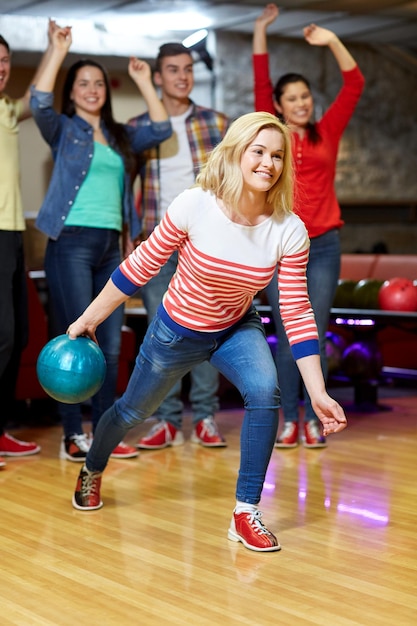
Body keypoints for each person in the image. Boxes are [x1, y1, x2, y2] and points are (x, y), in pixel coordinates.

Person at [68, 111, 348, 552]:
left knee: (265, 390)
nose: (267, 163)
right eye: (258, 151)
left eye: (277, 155)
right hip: (176, 330)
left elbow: (296, 310)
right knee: (131, 413)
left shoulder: (289, 229)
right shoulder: (195, 205)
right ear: (237, 153)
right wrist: (90, 318)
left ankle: (246, 511)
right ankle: (93, 468)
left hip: (236, 328)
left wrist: (316, 392)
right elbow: (141, 266)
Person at [30, 23, 172, 462]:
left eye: (97, 84)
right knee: (75, 335)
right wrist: (58, 50)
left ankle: (105, 434)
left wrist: (147, 81)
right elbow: (38, 101)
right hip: (69, 243)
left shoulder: (120, 136)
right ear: (71, 93)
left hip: (113, 246)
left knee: (110, 347)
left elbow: (163, 128)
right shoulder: (63, 129)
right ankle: (73, 434)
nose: (92, 90)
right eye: (82, 84)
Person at [253, 3, 365, 449]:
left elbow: (354, 84)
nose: (301, 103)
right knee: (285, 334)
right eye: (291, 98)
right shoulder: (272, 136)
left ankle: (315, 418)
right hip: (281, 246)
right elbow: (260, 78)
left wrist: (332, 40)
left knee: (312, 332)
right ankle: (287, 420)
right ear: (278, 106)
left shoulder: (328, 131)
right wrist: (261, 29)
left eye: (305, 96)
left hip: (324, 245)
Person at [128, 42, 230, 451]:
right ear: (157, 77)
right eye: (173, 70)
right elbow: (124, 187)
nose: (182, 76)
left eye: (187, 69)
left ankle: (205, 416)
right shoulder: (139, 128)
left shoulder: (218, 123)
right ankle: (167, 420)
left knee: (208, 331)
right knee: (161, 334)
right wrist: (130, 235)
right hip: (156, 241)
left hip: (205, 244)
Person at [0, 25, 58, 466]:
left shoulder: (5, 109)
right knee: (2, 335)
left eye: (4, 62)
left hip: (13, 234)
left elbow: (35, 96)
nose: (1, 69)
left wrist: (54, 49)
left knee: (17, 336)